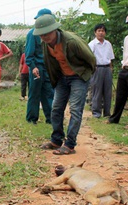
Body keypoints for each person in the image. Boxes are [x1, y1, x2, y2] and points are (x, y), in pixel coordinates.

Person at [34, 15, 96, 155]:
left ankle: (70, 144)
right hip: (62, 77)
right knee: (55, 108)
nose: (44, 37)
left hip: (78, 77)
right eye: (42, 35)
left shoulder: (71, 41)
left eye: (47, 33)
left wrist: (85, 76)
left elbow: (91, 59)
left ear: (54, 30)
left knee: (75, 109)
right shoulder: (45, 44)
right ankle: (56, 140)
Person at [25, 8, 54, 124]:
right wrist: (33, 67)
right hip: (36, 67)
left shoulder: (52, 34)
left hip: (47, 68)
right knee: (35, 93)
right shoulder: (32, 34)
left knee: (49, 93)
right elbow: (29, 54)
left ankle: (51, 118)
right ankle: (32, 118)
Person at [88, 24, 115, 118]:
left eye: (103, 31)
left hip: (107, 68)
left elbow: (110, 58)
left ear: (105, 33)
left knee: (108, 91)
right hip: (97, 68)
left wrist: (111, 69)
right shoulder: (92, 44)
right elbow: (89, 58)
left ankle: (107, 112)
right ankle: (96, 112)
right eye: (99, 31)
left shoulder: (108, 44)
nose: (101, 33)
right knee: (97, 91)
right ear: (95, 32)